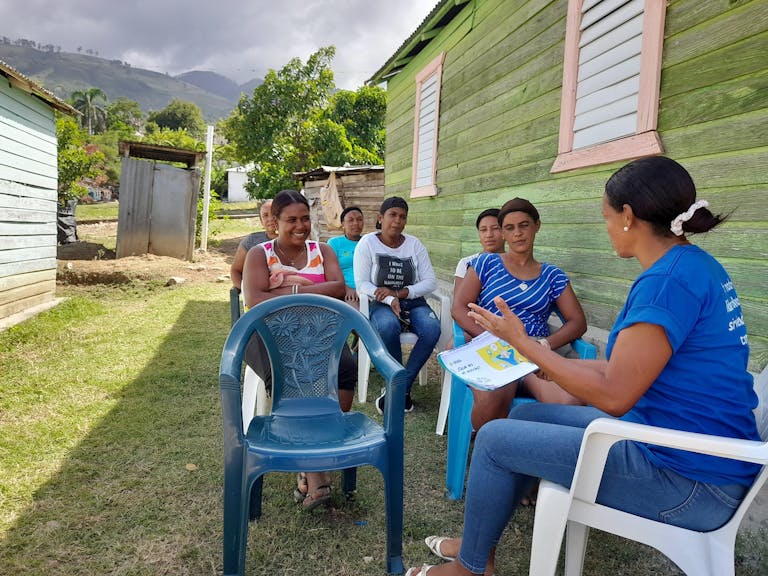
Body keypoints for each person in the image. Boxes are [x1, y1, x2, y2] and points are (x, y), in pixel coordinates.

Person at [405, 156, 760, 576]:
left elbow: (614, 394)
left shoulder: (667, 282)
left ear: (628, 216)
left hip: (688, 479)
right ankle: (480, 545)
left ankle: (471, 566)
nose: (606, 227)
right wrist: (542, 359)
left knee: (496, 440)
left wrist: (525, 346)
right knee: (532, 413)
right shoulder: (692, 265)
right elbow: (617, 370)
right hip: (683, 448)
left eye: (607, 217)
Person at [242, 189, 356, 511]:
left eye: (305, 218)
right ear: (274, 223)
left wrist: (283, 289)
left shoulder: (322, 251)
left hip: (317, 331)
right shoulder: (259, 254)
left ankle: (322, 443)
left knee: (345, 367)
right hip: (268, 333)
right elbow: (255, 300)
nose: (300, 225)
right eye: (291, 220)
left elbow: (338, 289)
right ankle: (313, 469)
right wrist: (305, 289)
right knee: (289, 377)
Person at [452, 198, 587, 433]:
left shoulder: (552, 275)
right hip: (493, 348)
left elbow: (577, 322)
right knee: (492, 401)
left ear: (537, 226)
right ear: (503, 233)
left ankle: (531, 447)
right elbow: (459, 307)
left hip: (535, 352)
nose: (517, 233)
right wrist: (494, 337)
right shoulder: (486, 263)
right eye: (509, 228)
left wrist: (545, 344)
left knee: (570, 402)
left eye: (524, 225)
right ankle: (496, 448)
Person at [354, 196, 441, 414]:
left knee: (432, 329)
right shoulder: (368, 243)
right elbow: (362, 283)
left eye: (403, 217)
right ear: (380, 218)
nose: (398, 221)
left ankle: (400, 386)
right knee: (387, 326)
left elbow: (430, 282)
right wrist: (389, 298)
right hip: (380, 303)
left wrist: (400, 293)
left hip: (413, 301)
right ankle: (396, 381)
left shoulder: (414, 244)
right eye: (393, 215)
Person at [453, 208, 505, 295]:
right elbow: (458, 303)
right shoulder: (466, 263)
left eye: (496, 228)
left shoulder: (515, 263)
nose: (489, 235)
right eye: (483, 230)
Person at [230, 199, 277, 290]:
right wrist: (246, 292)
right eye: (265, 215)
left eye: (274, 214)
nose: (270, 219)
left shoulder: (292, 240)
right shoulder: (252, 241)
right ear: (261, 221)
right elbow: (236, 271)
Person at [328, 205, 365, 308]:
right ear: (343, 224)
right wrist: (347, 289)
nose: (356, 223)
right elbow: (330, 273)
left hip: (367, 290)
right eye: (350, 220)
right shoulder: (335, 243)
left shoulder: (368, 242)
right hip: (345, 291)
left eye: (359, 219)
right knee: (355, 314)